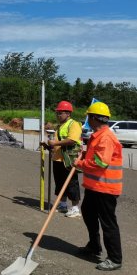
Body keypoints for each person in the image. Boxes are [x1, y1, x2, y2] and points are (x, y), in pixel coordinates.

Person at [74, 101, 123, 271]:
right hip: (95, 186)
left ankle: (115, 258)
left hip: (106, 188)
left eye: (88, 116)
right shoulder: (97, 135)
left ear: (94, 118)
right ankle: (94, 246)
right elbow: (95, 156)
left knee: (108, 223)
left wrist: (80, 163)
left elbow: (101, 162)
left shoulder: (106, 137)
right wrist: (83, 154)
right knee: (88, 213)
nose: (87, 119)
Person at [43, 101, 82, 217]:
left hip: (68, 159)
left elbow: (72, 140)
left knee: (71, 183)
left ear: (68, 113)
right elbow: (57, 143)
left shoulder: (74, 124)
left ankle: (75, 208)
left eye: (60, 113)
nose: (58, 115)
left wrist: (55, 143)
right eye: (57, 113)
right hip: (57, 159)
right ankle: (63, 205)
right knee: (59, 183)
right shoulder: (59, 126)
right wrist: (49, 145)